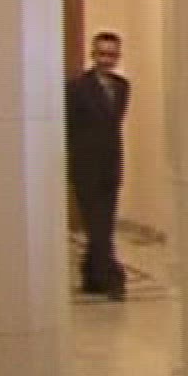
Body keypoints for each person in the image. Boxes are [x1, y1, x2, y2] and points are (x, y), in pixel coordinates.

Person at [66, 31, 130, 300]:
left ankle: (91, 275)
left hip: (111, 164)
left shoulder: (122, 86)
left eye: (112, 55)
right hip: (85, 166)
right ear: (93, 55)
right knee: (99, 225)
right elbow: (70, 128)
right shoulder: (77, 88)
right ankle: (113, 277)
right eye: (102, 54)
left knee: (103, 223)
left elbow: (113, 126)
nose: (107, 60)